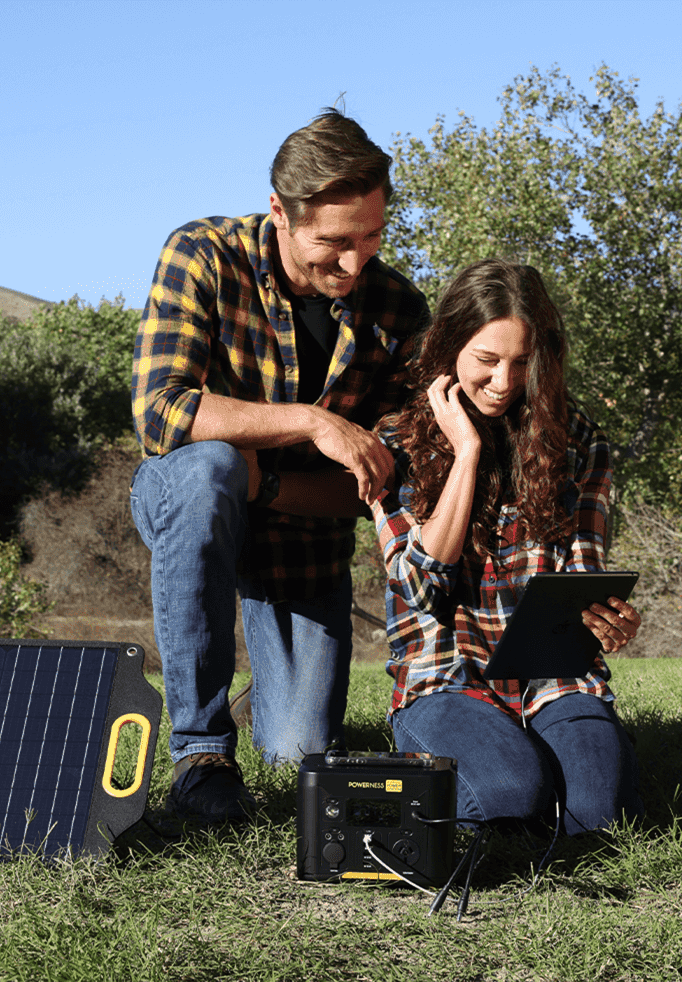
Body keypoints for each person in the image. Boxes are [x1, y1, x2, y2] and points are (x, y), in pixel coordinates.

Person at [130, 110, 430, 824]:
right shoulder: (201, 252)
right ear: (279, 213)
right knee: (209, 471)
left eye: (372, 237)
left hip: (302, 537)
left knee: (298, 753)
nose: (355, 263)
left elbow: (375, 487)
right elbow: (162, 412)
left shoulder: (398, 309)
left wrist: (272, 484)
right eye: (333, 242)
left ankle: (262, 697)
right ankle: (201, 752)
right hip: (191, 498)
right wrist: (312, 422)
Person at [370, 258, 642, 836]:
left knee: (596, 819)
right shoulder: (391, 442)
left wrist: (605, 620)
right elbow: (418, 584)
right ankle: (479, 776)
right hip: (445, 675)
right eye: (487, 361)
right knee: (507, 793)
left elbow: (580, 574)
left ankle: (551, 764)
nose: (504, 382)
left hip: (550, 675)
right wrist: (465, 453)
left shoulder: (577, 441)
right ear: (448, 351)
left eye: (522, 364)